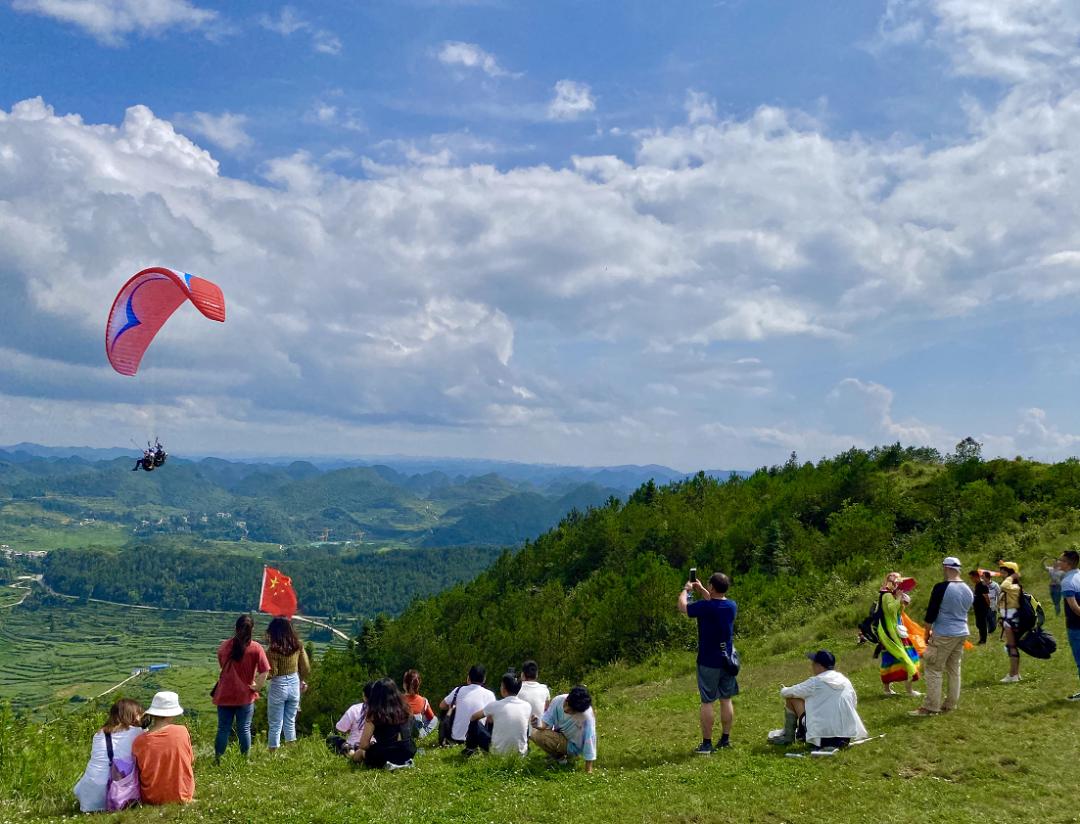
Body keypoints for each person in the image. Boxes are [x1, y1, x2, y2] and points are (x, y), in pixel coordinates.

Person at [678, 571, 737, 753]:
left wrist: (686, 590)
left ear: (713, 587)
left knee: (707, 701)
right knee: (726, 699)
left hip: (708, 661)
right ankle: (725, 740)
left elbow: (682, 607)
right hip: (727, 660)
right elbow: (714, 603)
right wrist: (703, 589)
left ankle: (707, 744)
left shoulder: (705, 607)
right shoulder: (731, 606)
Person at [910, 557, 973, 716]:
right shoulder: (967, 589)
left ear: (946, 568)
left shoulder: (941, 588)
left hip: (944, 633)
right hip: (962, 632)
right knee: (954, 669)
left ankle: (931, 707)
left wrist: (926, 633)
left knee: (933, 668)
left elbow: (931, 613)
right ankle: (950, 704)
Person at [768, 650, 867, 749]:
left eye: (813, 663)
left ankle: (788, 738)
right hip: (845, 737)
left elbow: (788, 692)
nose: (812, 666)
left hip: (822, 739)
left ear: (819, 666)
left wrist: (784, 689)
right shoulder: (845, 681)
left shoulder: (816, 682)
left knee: (792, 699)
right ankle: (800, 733)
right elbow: (853, 702)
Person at [213, 614, 270, 760]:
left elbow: (221, 664)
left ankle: (218, 759)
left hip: (225, 694)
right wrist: (257, 686)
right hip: (245, 695)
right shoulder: (256, 648)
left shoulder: (224, 646)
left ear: (235, 628)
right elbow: (265, 670)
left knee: (223, 729)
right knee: (244, 729)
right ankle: (245, 760)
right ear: (252, 629)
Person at [73, 698, 145, 812]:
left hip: (90, 789)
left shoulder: (99, 734)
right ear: (133, 715)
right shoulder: (137, 732)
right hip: (114, 789)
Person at [130, 691, 194, 806]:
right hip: (182, 795)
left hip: (150, 797)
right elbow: (190, 760)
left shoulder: (139, 741)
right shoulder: (182, 731)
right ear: (172, 713)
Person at [349, 678, 417, 768]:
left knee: (359, 753)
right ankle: (401, 763)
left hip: (385, 754)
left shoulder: (374, 715)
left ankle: (350, 753)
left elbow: (363, 745)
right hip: (408, 751)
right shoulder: (406, 710)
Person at [265, 617, 310, 751]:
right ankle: (292, 750)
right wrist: (301, 680)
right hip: (294, 684)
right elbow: (306, 667)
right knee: (290, 721)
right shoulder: (298, 646)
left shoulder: (272, 650)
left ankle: (273, 753)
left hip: (278, 686)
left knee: (275, 723)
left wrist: (259, 676)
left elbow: (273, 672)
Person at [464, 672, 532, 757]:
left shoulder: (495, 705)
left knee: (475, 723)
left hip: (497, 753)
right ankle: (525, 747)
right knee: (525, 723)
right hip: (520, 755)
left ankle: (470, 749)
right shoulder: (527, 706)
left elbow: (473, 717)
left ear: (503, 688)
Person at [530, 685, 597, 773]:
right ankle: (559, 757)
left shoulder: (586, 717)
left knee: (539, 735)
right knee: (534, 733)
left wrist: (588, 770)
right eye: (567, 704)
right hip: (561, 735)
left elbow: (590, 741)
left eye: (572, 710)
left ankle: (563, 757)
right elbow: (546, 722)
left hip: (574, 746)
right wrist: (537, 724)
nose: (566, 709)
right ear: (567, 698)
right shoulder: (558, 700)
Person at [875, 574, 921, 696]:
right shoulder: (886, 595)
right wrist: (898, 598)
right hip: (889, 633)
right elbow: (891, 610)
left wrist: (903, 603)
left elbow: (897, 613)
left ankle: (901, 690)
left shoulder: (892, 595)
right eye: (895, 581)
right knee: (894, 659)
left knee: (900, 657)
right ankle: (894, 690)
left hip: (897, 632)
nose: (897, 584)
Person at [439, 664, 496, 745]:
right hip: (477, 740)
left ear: (468, 677)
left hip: (456, 738)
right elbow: (491, 719)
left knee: (450, 707)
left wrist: (454, 707)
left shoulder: (458, 690)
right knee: (489, 715)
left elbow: (442, 706)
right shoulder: (490, 695)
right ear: (484, 679)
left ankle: (446, 736)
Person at [327, 681, 374, 755]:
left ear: (364, 696)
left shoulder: (355, 709)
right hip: (374, 746)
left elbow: (340, 728)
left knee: (332, 739)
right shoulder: (386, 712)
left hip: (354, 745)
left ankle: (350, 752)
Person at [1058, 549, 1080, 701]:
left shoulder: (1067, 582)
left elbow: (1075, 608)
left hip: (1076, 628)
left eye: (1061, 560)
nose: (1058, 563)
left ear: (1067, 564)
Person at [997, 561, 1023, 683]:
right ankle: (1015, 673)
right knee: (1011, 647)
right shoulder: (1012, 587)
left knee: (1012, 647)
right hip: (1008, 620)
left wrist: (1012, 576)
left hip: (1011, 621)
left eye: (1004, 572)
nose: (1002, 574)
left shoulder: (1014, 587)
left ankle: (1013, 675)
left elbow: (1003, 586)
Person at [402, 669, 438, 738]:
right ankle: (422, 733)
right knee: (435, 719)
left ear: (404, 684)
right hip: (417, 732)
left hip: (402, 732)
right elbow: (431, 717)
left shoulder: (398, 700)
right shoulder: (423, 701)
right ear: (418, 685)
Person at [517, 660, 551, 725]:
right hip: (539, 728)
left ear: (522, 674)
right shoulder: (544, 689)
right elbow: (547, 709)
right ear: (536, 674)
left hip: (521, 728)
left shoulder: (516, 689)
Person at [969, 570, 991, 644]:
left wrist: (988, 606)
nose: (971, 580)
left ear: (976, 577)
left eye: (971, 578)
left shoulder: (982, 585)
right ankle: (982, 638)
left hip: (982, 608)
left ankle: (983, 640)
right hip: (977, 608)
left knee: (982, 624)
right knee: (978, 624)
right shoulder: (977, 585)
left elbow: (986, 597)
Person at [984, 571, 1001, 635]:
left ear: (987, 577)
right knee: (985, 618)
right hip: (984, 605)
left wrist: (998, 604)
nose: (982, 578)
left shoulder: (995, 585)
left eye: (983, 577)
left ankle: (992, 629)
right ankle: (987, 631)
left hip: (993, 604)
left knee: (992, 619)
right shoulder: (982, 584)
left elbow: (999, 595)